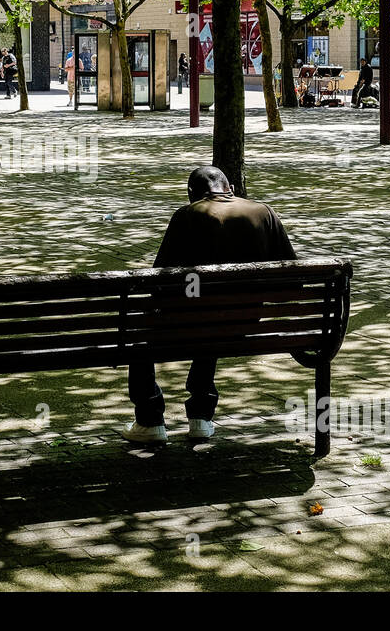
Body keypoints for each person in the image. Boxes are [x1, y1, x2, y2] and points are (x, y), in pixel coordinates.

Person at [122, 166, 298, 444]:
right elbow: (292, 280)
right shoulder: (264, 212)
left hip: (193, 323)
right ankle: (201, 417)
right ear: (228, 187)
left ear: (193, 193)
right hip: (244, 324)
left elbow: (160, 279)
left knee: (143, 331)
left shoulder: (187, 215)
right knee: (215, 317)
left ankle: (149, 419)